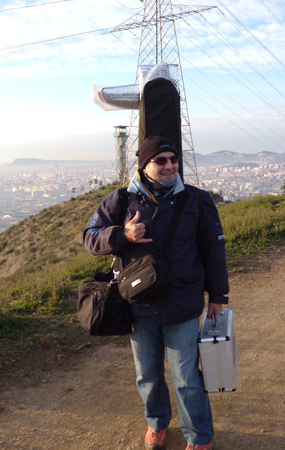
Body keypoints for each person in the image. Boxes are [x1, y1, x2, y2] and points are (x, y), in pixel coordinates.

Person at [83, 136, 229, 450]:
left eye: (173, 160)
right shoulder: (121, 200)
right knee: (147, 375)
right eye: (160, 160)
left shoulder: (196, 200)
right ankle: (157, 423)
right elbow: (90, 237)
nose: (169, 166)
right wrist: (122, 235)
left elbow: (214, 251)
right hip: (139, 305)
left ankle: (199, 437)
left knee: (187, 378)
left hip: (182, 304)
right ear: (144, 165)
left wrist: (218, 296)